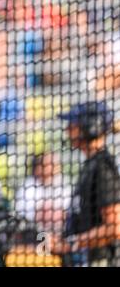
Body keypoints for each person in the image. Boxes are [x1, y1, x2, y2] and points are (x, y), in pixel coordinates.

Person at [52, 102, 120, 266]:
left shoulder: (103, 167)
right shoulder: (91, 165)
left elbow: (115, 228)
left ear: (90, 127)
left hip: (104, 260)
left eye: (72, 124)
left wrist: (70, 244)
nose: (67, 130)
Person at [14, 152, 72, 233]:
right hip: (33, 233)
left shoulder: (64, 183)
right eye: (48, 165)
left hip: (62, 232)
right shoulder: (28, 186)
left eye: (55, 165)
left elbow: (68, 211)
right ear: (38, 168)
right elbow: (21, 214)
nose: (54, 168)